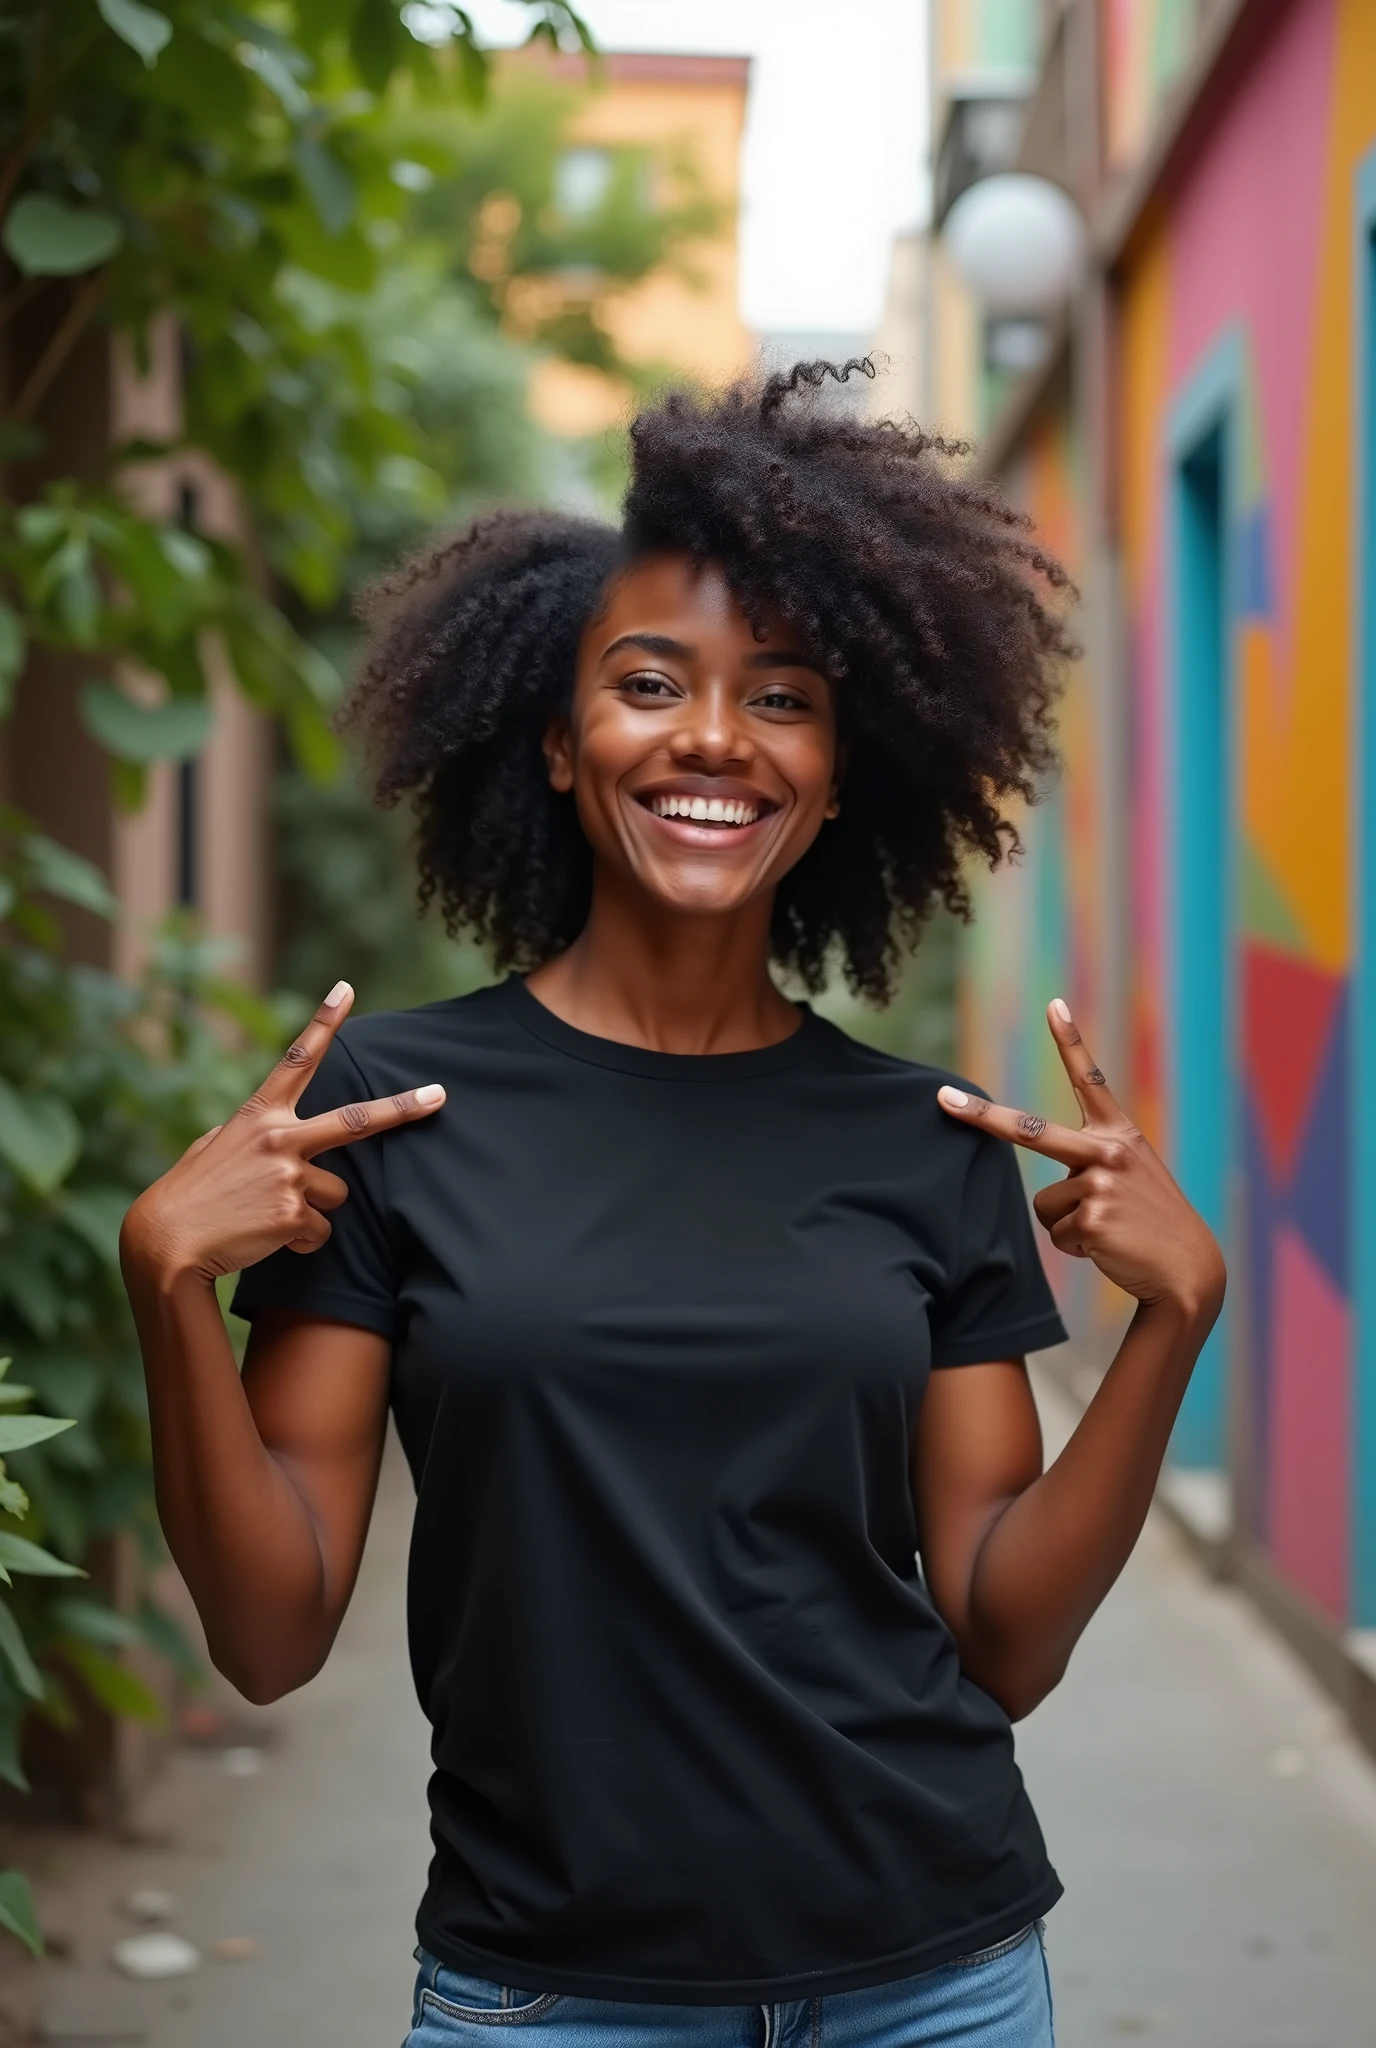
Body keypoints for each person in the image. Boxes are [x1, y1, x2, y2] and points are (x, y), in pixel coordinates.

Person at [120, 362, 1224, 2048]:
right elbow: (270, 1635)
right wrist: (164, 1289)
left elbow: (1002, 1639)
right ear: (561, 746)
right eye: (652, 684)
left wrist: (1174, 1324)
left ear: (842, 775)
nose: (715, 735)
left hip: (933, 1978)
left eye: (782, 699)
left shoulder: (924, 1142)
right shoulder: (386, 1112)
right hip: (549, 1994)